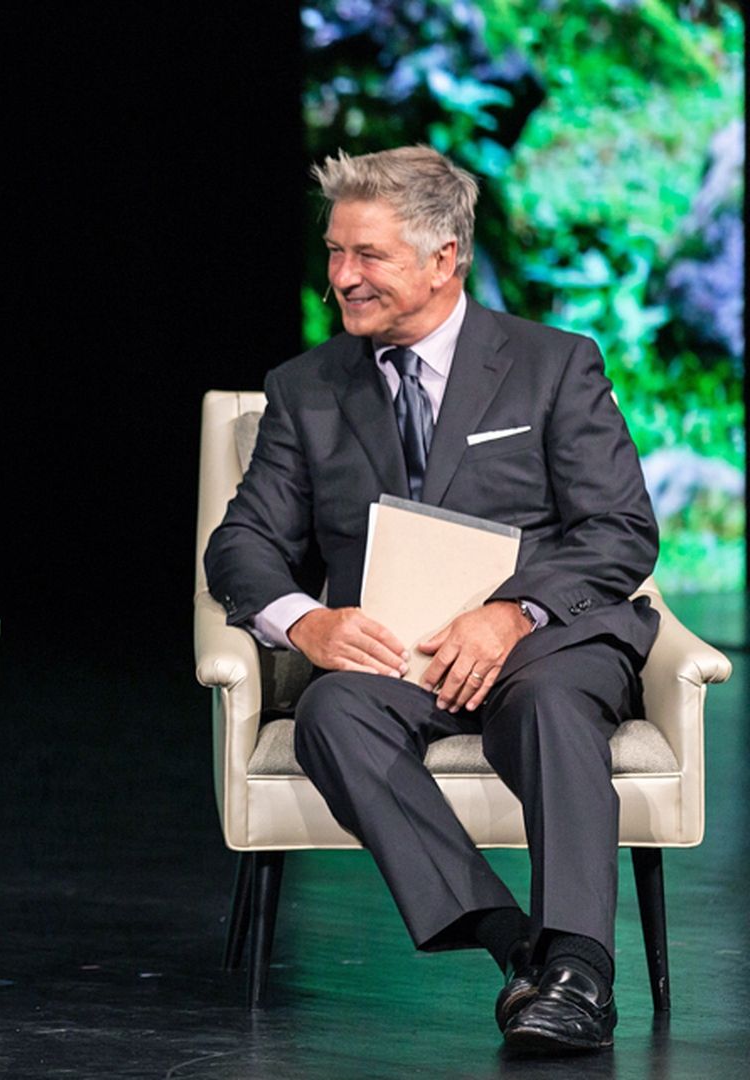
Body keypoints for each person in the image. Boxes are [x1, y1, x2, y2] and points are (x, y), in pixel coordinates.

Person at [204, 147, 659, 1053]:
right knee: (333, 710)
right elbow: (243, 543)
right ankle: (518, 947)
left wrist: (513, 611)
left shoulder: (553, 365)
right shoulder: (307, 389)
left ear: (445, 257)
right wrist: (309, 621)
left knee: (553, 708)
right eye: (335, 253)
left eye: (367, 255)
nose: (342, 277)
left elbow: (619, 528)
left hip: (545, 638)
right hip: (399, 649)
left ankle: (580, 965)